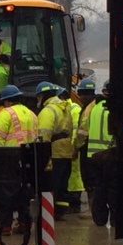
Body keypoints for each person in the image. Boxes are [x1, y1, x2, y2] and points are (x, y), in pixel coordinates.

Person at [0, 84, 38, 236]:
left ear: (7, 101)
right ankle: (24, 224)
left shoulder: (6, 113)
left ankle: (4, 227)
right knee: (25, 194)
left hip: (10, 159)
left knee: (6, 195)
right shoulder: (31, 114)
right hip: (29, 159)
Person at [75, 80, 116, 226]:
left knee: (99, 187)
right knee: (112, 188)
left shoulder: (93, 108)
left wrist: (76, 148)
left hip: (93, 155)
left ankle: (99, 220)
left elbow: (82, 130)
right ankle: (115, 220)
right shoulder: (115, 108)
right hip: (110, 153)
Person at [36, 81, 73, 221]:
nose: (38, 100)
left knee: (50, 185)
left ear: (43, 95)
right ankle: (60, 212)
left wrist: (41, 154)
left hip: (54, 152)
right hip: (66, 151)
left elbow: (43, 135)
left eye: (39, 97)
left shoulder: (48, 111)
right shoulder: (65, 108)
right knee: (63, 184)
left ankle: (47, 215)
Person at [73, 78, 98, 219]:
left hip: (88, 149)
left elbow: (82, 132)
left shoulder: (87, 109)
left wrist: (75, 148)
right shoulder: (98, 105)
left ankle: (92, 210)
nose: (80, 98)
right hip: (101, 149)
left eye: (80, 95)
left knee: (89, 181)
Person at [57, 87, 84, 214]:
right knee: (72, 175)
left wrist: (73, 148)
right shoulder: (71, 108)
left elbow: (76, 130)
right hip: (70, 147)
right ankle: (72, 203)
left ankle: (75, 203)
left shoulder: (72, 109)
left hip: (72, 149)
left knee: (75, 176)